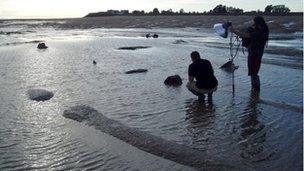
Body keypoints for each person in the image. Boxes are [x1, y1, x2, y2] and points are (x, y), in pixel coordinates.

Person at [229, 16, 269, 91]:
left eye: (254, 22)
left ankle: (256, 90)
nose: (253, 24)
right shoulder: (261, 29)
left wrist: (234, 31)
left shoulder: (261, 32)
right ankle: (254, 92)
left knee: (254, 72)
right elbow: (246, 34)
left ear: (258, 22)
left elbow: (246, 35)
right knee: (252, 72)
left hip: (255, 54)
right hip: (254, 52)